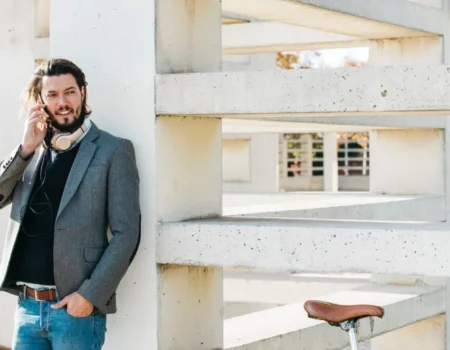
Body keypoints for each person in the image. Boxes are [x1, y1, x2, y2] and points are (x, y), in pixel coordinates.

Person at [0, 58, 141, 349]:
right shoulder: (31, 152)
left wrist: (90, 295)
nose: (62, 102)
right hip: (27, 309)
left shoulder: (113, 150)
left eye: (70, 92)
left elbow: (127, 233)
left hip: (74, 312)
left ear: (83, 93)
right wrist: (25, 148)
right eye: (52, 95)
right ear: (40, 102)